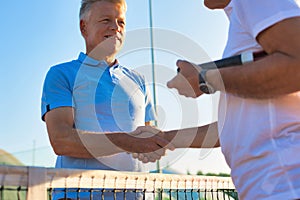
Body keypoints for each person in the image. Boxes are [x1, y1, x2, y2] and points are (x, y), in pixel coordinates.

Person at [136, 0, 300, 199]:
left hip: (285, 185)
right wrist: (163, 138)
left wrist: (203, 79)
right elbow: (233, 127)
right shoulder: (242, 15)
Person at [41, 0, 172, 199]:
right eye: (106, 20)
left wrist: (154, 143)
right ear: (83, 27)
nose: (115, 27)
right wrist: (130, 142)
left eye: (121, 22)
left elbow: (146, 143)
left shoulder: (139, 81)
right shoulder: (61, 74)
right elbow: (62, 140)